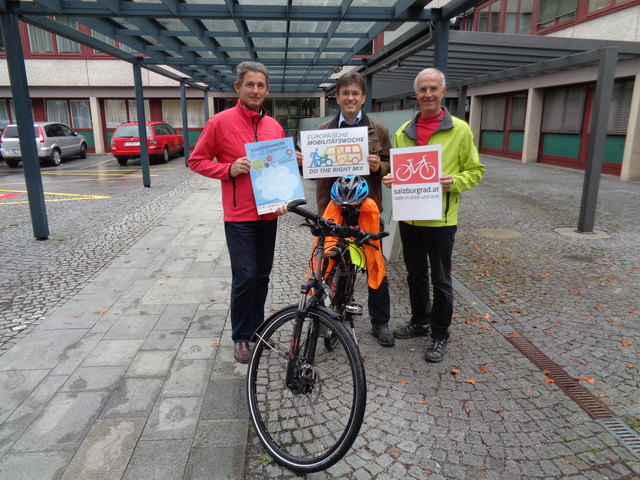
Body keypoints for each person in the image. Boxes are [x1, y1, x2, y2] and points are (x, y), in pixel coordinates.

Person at [188, 61, 289, 364]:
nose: (255, 90)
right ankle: (242, 336)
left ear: (267, 90)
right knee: (244, 276)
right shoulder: (219, 122)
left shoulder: (274, 126)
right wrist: (227, 169)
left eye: (260, 85)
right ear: (238, 87)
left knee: (262, 276)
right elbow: (196, 160)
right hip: (239, 215)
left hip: (269, 214)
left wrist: (286, 194)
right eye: (250, 84)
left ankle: (258, 328)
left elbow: (280, 170)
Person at [383, 67, 485, 363]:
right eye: (423, 89)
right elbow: (401, 172)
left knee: (440, 278)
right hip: (411, 217)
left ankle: (440, 333)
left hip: (441, 219)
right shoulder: (403, 132)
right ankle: (420, 321)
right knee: (415, 274)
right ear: (416, 94)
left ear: (443, 92)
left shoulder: (460, 130)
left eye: (433, 89)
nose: (428, 94)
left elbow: (476, 171)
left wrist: (455, 181)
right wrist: (391, 179)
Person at [315, 72, 394, 347]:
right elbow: (314, 172)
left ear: (363, 98)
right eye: (345, 93)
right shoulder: (324, 131)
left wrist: (378, 167)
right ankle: (331, 315)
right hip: (333, 208)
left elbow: (390, 165)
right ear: (337, 97)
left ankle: (380, 322)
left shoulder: (380, 130)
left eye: (355, 93)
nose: (350, 98)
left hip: (367, 207)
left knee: (374, 262)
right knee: (331, 260)